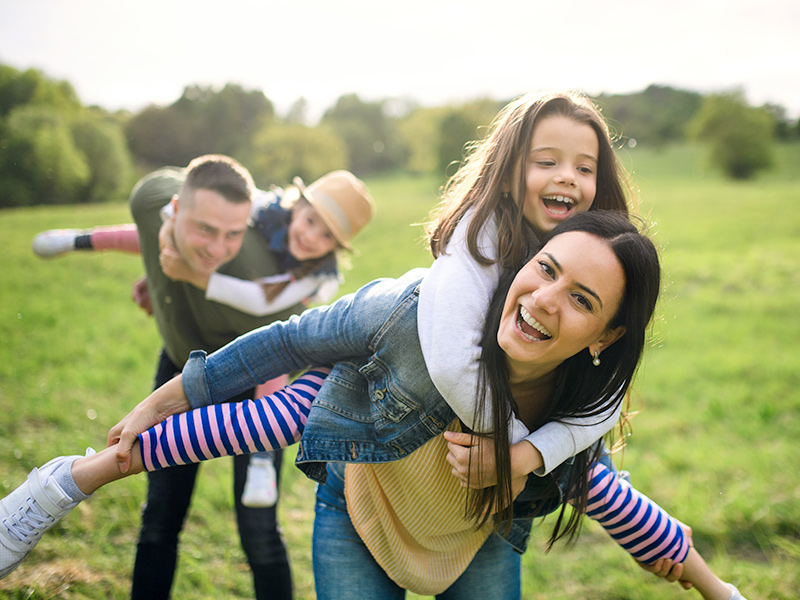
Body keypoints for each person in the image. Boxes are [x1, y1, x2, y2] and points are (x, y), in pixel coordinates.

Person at [0, 212, 746, 599]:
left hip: (466, 541)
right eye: (544, 269)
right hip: (358, 512)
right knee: (269, 417)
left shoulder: (560, 429)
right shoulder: (413, 328)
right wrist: (120, 447)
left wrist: (717, 588)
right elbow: (268, 382)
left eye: (580, 300)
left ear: (605, 336)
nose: (545, 300)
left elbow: (619, 504)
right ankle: (63, 479)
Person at [27, 155, 373, 600]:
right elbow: (177, 228)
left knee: (259, 529)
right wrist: (159, 274)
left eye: (327, 236)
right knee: (160, 517)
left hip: (259, 378)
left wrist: (191, 274)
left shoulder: (317, 280)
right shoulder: (252, 217)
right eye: (311, 221)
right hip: (184, 369)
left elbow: (258, 298)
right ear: (296, 203)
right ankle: (80, 239)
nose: (312, 237)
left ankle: (262, 462)